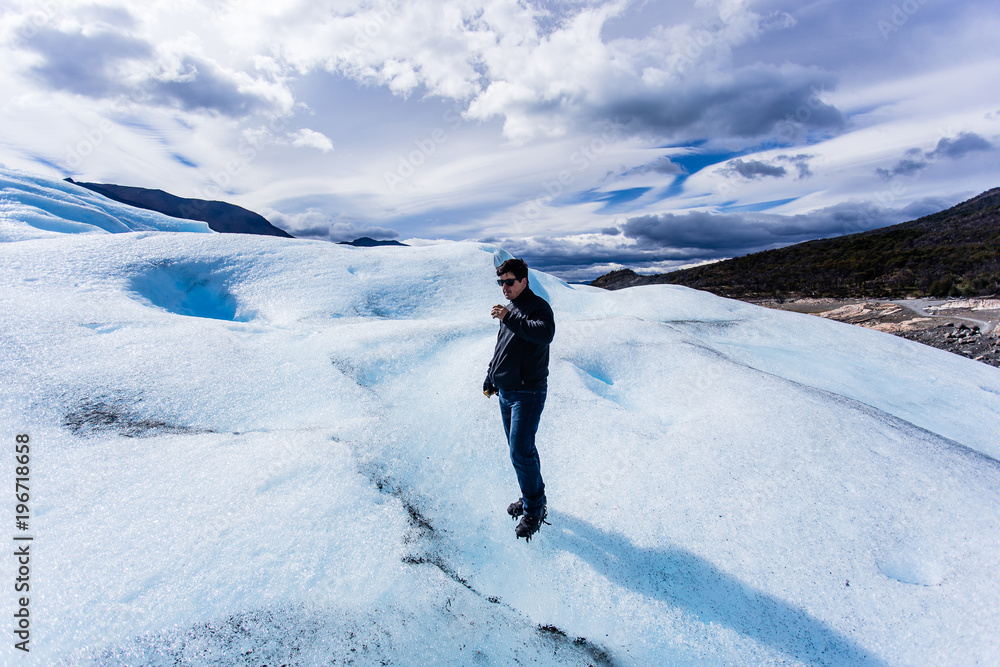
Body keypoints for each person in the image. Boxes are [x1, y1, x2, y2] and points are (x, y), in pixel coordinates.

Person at [483, 258, 555, 541]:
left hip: (528, 392)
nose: (504, 287)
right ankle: (531, 497)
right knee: (522, 451)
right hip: (507, 391)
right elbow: (503, 347)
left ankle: (535, 510)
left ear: (524, 280)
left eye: (509, 282)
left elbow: (544, 333)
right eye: (501, 282)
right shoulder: (510, 310)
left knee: (520, 452)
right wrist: (491, 375)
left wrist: (508, 317)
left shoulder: (538, 307)